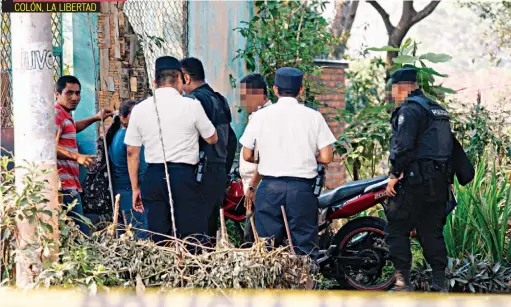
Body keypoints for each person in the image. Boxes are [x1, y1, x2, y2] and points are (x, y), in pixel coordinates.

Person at [239, 67, 336, 261]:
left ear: (275, 90)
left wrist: (269, 157)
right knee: (304, 249)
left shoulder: (260, 116)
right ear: (301, 90)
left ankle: (272, 289)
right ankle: (304, 287)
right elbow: (326, 157)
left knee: (267, 249)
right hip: (301, 190)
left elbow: (247, 154)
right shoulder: (313, 116)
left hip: (269, 189)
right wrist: (305, 156)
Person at [124, 56, 218, 244]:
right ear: (179, 77)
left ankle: (163, 271)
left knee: (159, 237)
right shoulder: (191, 105)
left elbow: (132, 153)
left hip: (154, 177)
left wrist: (136, 188)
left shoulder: (140, 109)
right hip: (184, 177)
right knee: (191, 237)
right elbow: (212, 137)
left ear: (154, 82)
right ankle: (190, 270)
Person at [384, 67, 453, 292]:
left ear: (402, 87)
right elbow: (450, 148)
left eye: (394, 89)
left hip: (414, 182)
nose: (394, 94)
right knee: (431, 231)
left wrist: (393, 176)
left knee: (396, 228)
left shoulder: (410, 111)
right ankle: (439, 284)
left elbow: (402, 147)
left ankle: (403, 283)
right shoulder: (437, 110)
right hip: (439, 183)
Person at [180, 57, 237, 242]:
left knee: (193, 236)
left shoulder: (193, 101)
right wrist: (223, 171)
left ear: (186, 78)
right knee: (209, 233)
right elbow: (231, 140)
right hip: (217, 174)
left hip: (198, 176)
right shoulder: (219, 100)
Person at [55, 75, 113, 234]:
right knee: (82, 233)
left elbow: (73, 128)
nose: (75, 97)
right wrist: (77, 157)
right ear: (57, 94)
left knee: (75, 232)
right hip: (64, 185)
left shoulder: (65, 115)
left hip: (71, 183)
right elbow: (49, 147)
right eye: (69, 93)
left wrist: (95, 118)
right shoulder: (56, 114)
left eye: (78, 93)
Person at [106, 100, 148, 239]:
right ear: (123, 117)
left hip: (122, 194)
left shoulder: (118, 134)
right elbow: (141, 168)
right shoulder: (130, 138)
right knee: (140, 239)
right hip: (131, 194)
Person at [238, 73, 272, 244]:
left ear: (259, 93)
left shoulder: (265, 117)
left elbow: (263, 157)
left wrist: (253, 186)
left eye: (246, 96)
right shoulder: (258, 116)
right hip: (253, 185)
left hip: (259, 186)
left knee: (252, 238)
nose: (243, 102)